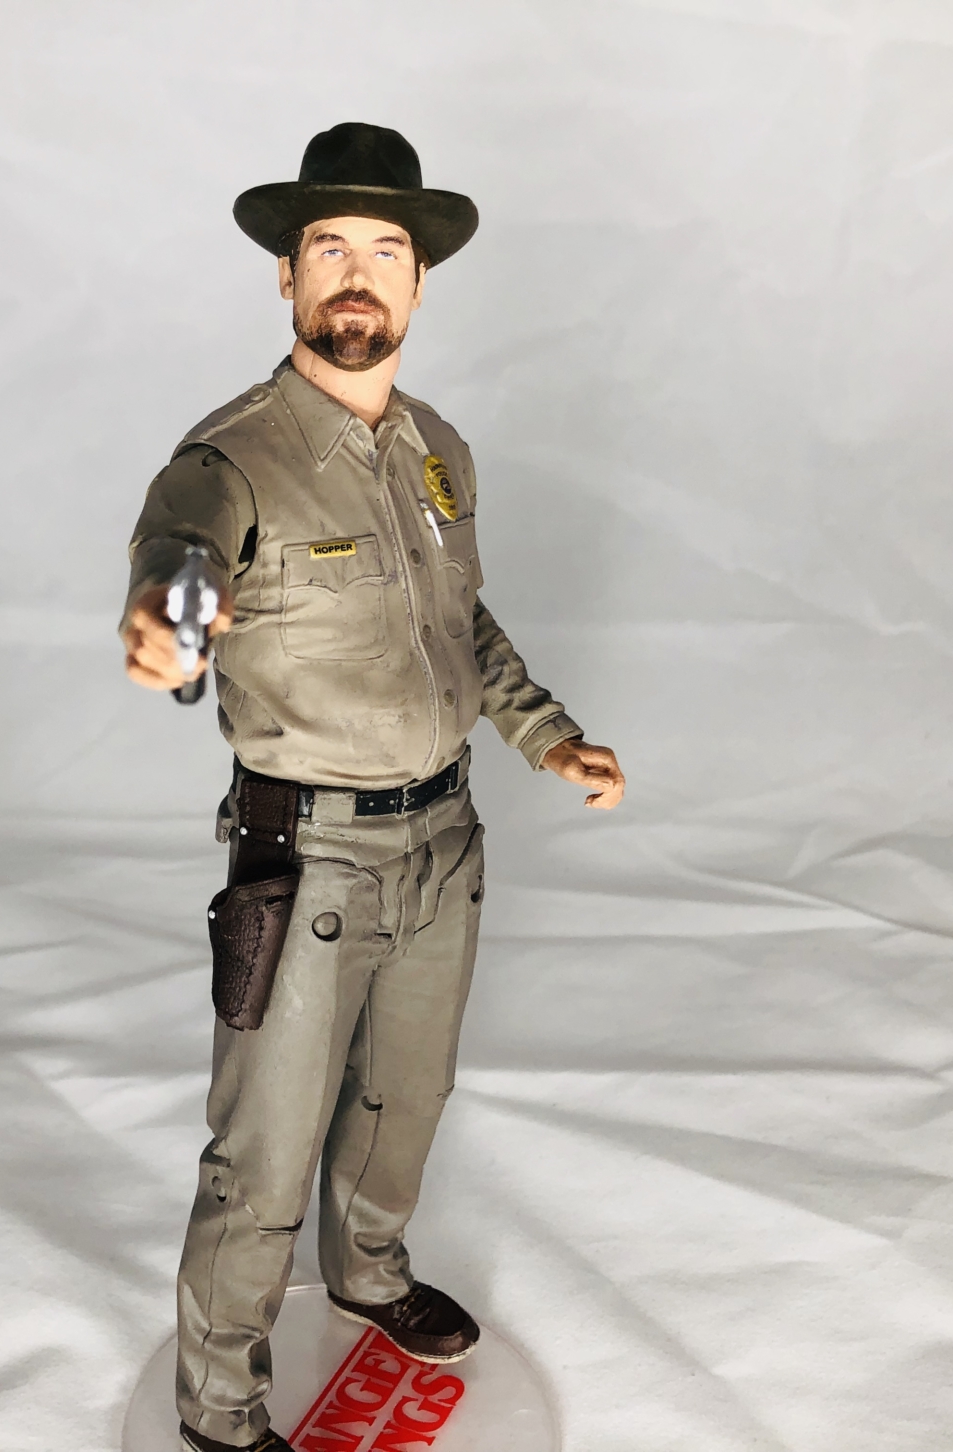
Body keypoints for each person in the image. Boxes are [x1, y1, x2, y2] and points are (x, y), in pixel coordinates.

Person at [120, 121, 625, 1452]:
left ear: (419, 281)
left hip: (444, 839)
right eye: (328, 248)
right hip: (311, 858)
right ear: (285, 277)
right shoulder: (230, 459)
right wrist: (171, 622)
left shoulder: (437, 449)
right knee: (262, 1152)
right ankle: (219, 1410)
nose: (357, 274)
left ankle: (368, 1272)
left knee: (408, 1098)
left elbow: (460, 623)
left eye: (384, 251)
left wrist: (548, 736)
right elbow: (182, 558)